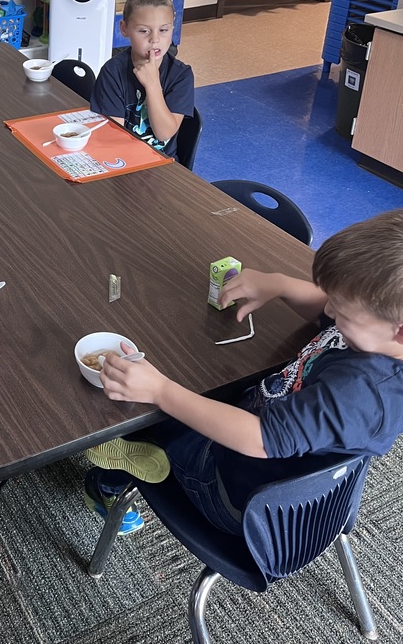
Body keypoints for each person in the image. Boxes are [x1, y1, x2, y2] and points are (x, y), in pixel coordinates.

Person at [84, 210, 403, 536]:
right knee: (192, 384)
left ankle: (111, 481)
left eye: (342, 312)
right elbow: (328, 308)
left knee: (144, 408)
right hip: (267, 430)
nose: (329, 309)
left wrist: (160, 392)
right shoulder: (378, 333)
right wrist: (280, 285)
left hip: (239, 495)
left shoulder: (361, 395)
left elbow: (259, 439)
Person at [90, 0, 194, 158]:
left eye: (163, 30)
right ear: (124, 29)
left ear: (173, 27)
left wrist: (153, 85)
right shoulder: (112, 72)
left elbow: (164, 133)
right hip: (121, 158)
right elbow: (113, 136)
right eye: (144, 31)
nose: (155, 39)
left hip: (161, 163)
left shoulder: (181, 75)